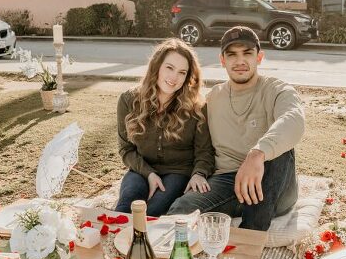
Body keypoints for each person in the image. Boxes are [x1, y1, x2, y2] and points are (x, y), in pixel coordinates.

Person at [168, 26, 305, 231]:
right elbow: (197, 142)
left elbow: (294, 120)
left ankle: (250, 236)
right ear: (222, 60)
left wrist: (257, 154)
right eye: (232, 55)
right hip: (228, 182)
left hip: (272, 183)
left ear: (259, 57)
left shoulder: (277, 90)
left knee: (281, 151)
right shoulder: (213, 98)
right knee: (180, 211)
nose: (240, 61)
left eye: (247, 53)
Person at [114, 38, 214, 217]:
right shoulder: (128, 100)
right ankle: (119, 244)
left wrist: (199, 173)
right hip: (141, 168)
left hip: (178, 172)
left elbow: (204, 151)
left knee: (153, 212)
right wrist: (149, 174)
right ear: (156, 66)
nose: (174, 78)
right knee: (124, 210)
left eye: (182, 72)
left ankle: (148, 244)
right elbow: (126, 150)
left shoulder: (196, 107)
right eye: (169, 68)